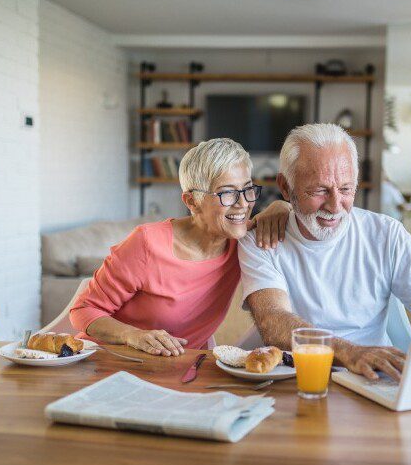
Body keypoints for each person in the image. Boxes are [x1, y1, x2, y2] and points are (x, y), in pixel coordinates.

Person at [238, 124, 411, 381]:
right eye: (319, 190)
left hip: (373, 378)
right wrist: (350, 353)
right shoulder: (262, 240)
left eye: (346, 189)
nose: (336, 206)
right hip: (297, 379)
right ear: (286, 187)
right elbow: (273, 322)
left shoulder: (388, 234)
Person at [69, 139, 291, 355]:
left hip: (177, 369)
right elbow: (83, 311)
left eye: (248, 189)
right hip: (109, 361)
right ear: (191, 201)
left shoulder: (243, 240)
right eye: (227, 193)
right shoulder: (147, 243)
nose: (243, 204)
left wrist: (283, 206)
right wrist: (133, 335)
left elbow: (288, 222)